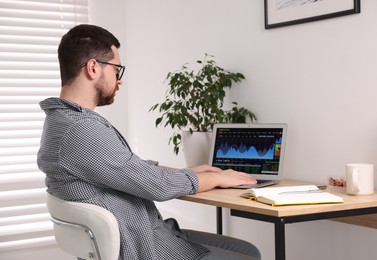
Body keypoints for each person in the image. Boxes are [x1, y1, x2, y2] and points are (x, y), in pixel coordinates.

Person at [37, 24, 261, 260]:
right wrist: (217, 177)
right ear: (93, 68)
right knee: (248, 255)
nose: (119, 80)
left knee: (247, 250)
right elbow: (158, 187)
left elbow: (127, 167)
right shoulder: (80, 129)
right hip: (146, 247)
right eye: (116, 70)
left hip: (150, 234)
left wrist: (190, 173)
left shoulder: (62, 120)